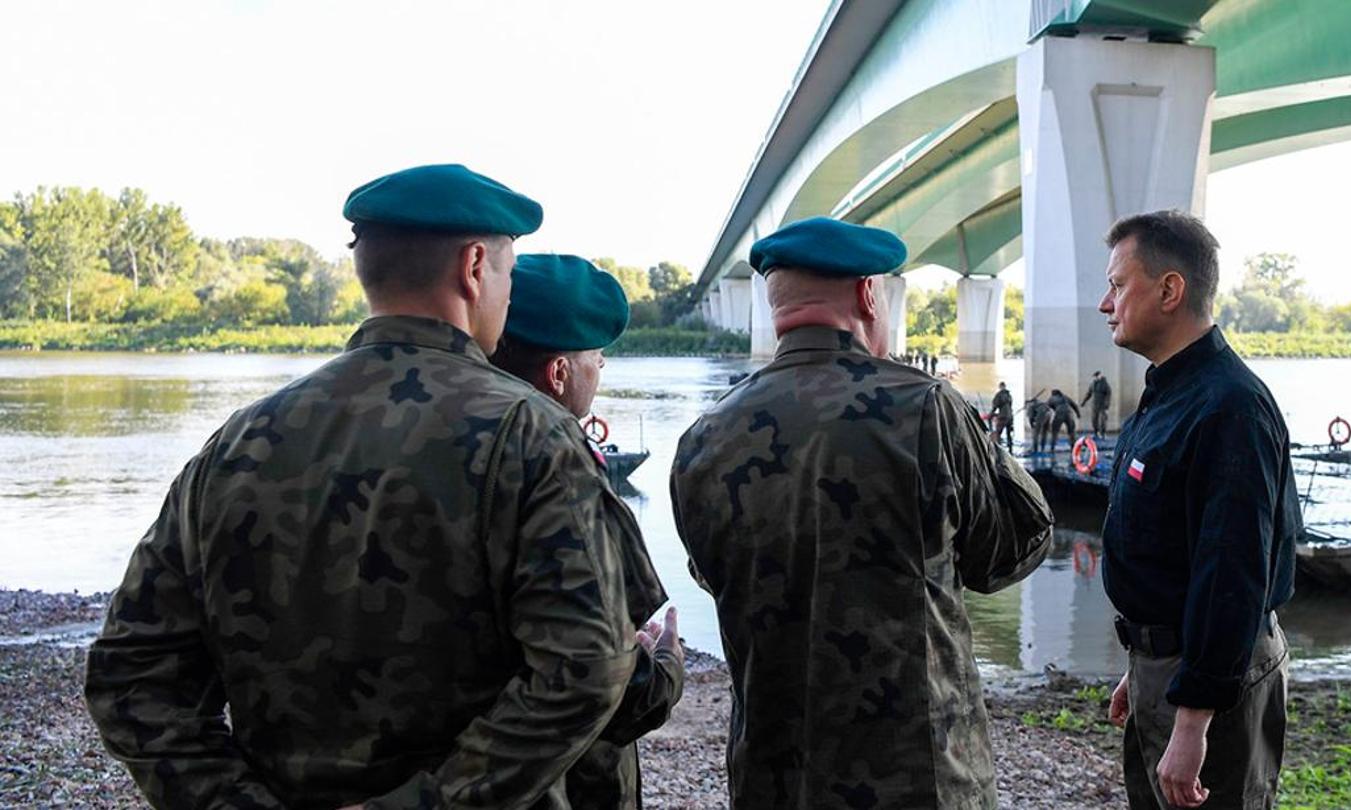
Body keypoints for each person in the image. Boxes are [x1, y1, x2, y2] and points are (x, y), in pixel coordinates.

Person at [84, 164, 659, 809]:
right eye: (506, 271)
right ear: (474, 267)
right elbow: (587, 669)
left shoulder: (239, 441)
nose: (505, 292)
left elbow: (131, 675)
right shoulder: (530, 436)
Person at [670, 216, 1055, 808]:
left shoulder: (704, 438)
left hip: (774, 777)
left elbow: (713, 576)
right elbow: (1011, 551)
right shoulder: (925, 407)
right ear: (869, 295)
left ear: (775, 304)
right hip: (921, 775)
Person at [1096, 210, 1300, 809]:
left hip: (1216, 683)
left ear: (1169, 290)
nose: (1106, 305)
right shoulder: (1171, 392)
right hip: (1171, 666)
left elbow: (1232, 573)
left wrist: (1192, 720)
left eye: (1117, 285)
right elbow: (1173, 551)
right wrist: (1145, 664)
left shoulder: (1229, 407)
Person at [489, 252, 686, 809]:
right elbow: (610, 686)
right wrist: (664, 662)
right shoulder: (561, 463)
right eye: (597, 360)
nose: (599, 374)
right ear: (559, 373)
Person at [1046, 388, 1081, 453]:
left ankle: (1052, 448)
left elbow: (1046, 407)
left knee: (1055, 431)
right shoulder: (1066, 397)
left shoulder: (1052, 398)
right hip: (1069, 414)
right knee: (1071, 432)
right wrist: (1078, 414)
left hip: (1059, 414)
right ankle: (1073, 447)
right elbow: (1074, 405)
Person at [1082, 370, 1113, 438]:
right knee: (1094, 419)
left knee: (1103, 420)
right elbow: (1089, 393)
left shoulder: (1105, 384)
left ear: (1100, 376)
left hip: (1102, 405)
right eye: (1095, 377)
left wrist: (1107, 404)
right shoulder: (1092, 384)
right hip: (1094, 404)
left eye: (1097, 376)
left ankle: (1103, 433)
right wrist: (1084, 402)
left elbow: (1108, 394)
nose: (1096, 378)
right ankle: (1096, 432)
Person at [991, 381, 1016, 451]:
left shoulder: (999, 395)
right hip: (1010, 417)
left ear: (1000, 387)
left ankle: (998, 449)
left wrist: (991, 414)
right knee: (1009, 434)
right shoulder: (1009, 395)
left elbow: (995, 405)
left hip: (1003, 417)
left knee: (998, 433)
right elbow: (1010, 405)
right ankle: (1011, 450)